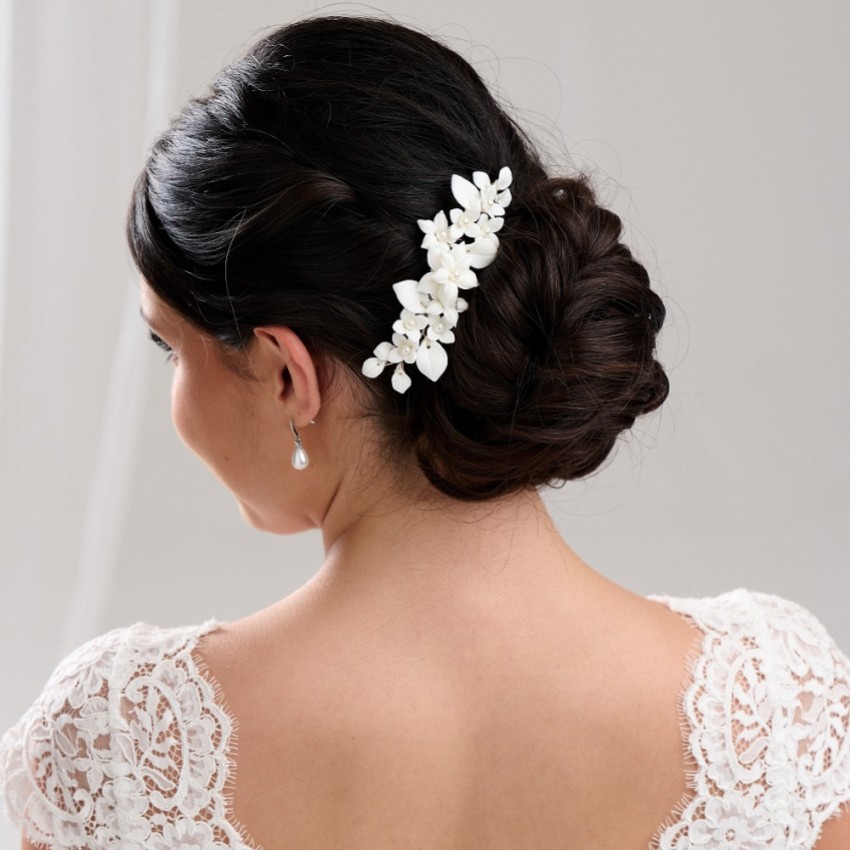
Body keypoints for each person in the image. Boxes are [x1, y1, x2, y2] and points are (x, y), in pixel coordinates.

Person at [1, 15, 849, 849]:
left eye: (169, 345)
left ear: (288, 375)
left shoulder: (119, 747)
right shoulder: (780, 709)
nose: (175, 399)